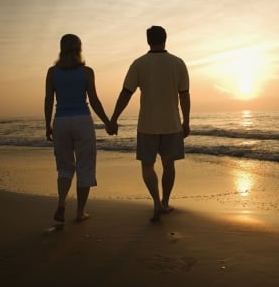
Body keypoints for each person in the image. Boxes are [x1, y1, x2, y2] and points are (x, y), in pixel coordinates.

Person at [110, 26, 190, 222]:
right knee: (168, 164)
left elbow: (126, 93)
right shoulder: (178, 63)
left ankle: (156, 202)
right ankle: (165, 201)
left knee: (148, 166)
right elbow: (184, 95)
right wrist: (186, 121)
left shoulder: (139, 64)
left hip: (147, 124)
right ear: (165, 39)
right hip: (171, 123)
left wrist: (114, 118)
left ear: (148, 40)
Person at [45, 34, 113, 223]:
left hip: (61, 121)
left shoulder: (52, 72)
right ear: (79, 49)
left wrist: (47, 125)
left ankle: (61, 204)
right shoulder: (87, 72)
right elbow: (94, 100)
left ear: (61, 48)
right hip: (82, 121)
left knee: (65, 168)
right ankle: (80, 212)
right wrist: (107, 122)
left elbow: (49, 99)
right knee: (85, 167)